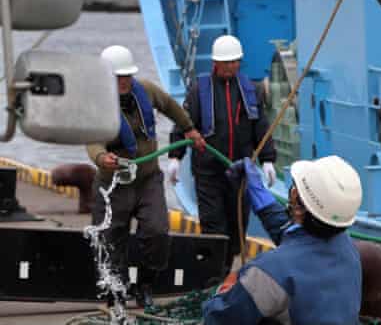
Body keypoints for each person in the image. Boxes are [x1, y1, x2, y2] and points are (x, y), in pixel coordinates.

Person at [85, 45, 206, 308]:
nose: (125, 81)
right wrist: (101, 158)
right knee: (110, 239)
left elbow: (171, 106)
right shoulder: (96, 103)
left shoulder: (147, 91)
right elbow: (92, 141)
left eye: (127, 76)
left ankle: (145, 284)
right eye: (119, 77)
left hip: (147, 179)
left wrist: (188, 129)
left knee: (157, 231)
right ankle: (115, 290)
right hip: (113, 183)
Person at [202, 155, 362, 324]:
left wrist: (225, 288)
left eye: (294, 189)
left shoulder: (268, 272)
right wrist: (257, 190)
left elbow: (219, 318)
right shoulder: (348, 248)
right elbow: (294, 235)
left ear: (299, 207)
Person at [169, 34, 277, 265]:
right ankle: (212, 278)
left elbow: (261, 126)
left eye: (235, 61)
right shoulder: (199, 91)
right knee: (213, 227)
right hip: (209, 172)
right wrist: (175, 158)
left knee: (236, 229)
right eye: (226, 62)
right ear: (216, 63)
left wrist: (268, 160)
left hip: (240, 172)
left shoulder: (251, 91)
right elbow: (183, 123)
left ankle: (225, 270)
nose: (231, 66)